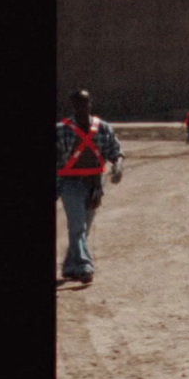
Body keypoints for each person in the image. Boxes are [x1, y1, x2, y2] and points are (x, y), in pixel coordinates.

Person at [55, 89, 124, 283]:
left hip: (95, 184)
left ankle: (70, 267)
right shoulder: (61, 129)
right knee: (77, 226)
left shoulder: (103, 127)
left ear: (90, 103)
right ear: (73, 105)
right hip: (71, 184)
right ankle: (85, 266)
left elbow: (115, 152)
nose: (82, 107)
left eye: (84, 103)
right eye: (77, 103)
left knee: (84, 229)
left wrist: (118, 167)